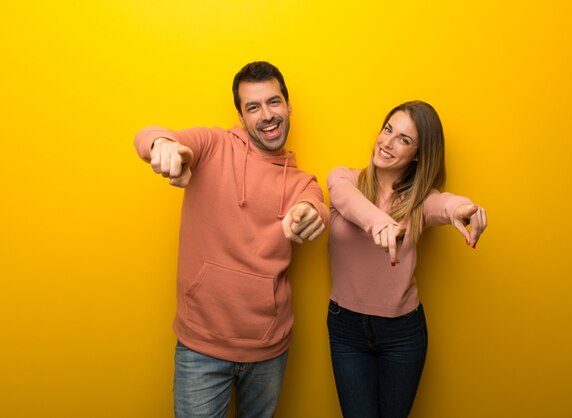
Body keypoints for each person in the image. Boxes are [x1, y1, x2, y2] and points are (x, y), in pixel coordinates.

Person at [134, 61, 330, 418]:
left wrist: (308, 214)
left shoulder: (303, 180)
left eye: (273, 102)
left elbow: (314, 205)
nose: (266, 115)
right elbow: (151, 135)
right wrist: (161, 144)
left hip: (269, 350)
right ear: (241, 117)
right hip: (201, 349)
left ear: (288, 107)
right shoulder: (213, 146)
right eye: (253, 107)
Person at [326, 100, 487, 418]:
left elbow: (444, 204)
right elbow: (345, 200)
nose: (386, 142)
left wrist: (465, 209)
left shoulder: (420, 200)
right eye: (388, 129)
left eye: (403, 139)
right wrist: (380, 222)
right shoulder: (344, 179)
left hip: (403, 333)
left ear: (418, 155)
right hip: (346, 329)